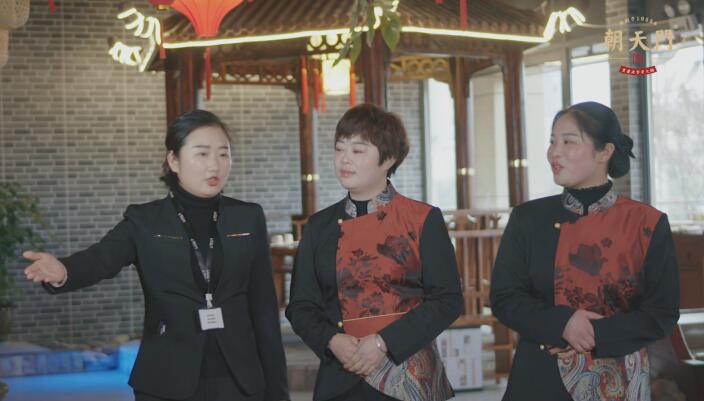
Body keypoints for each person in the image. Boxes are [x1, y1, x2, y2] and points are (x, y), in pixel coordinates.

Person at [23, 110, 289, 401]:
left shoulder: (248, 217)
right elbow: (101, 259)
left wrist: (278, 392)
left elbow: (264, 309)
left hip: (240, 379)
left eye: (223, 154)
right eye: (202, 153)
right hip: (166, 378)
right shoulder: (145, 221)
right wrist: (64, 271)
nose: (214, 164)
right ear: (173, 160)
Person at [490, 101, 680, 401]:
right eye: (552, 141)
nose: (554, 152)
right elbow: (504, 298)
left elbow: (662, 313)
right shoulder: (528, 218)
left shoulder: (646, 223)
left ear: (604, 152)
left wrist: (593, 334)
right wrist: (562, 324)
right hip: (539, 376)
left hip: (619, 379)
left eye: (568, 142)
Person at [286, 103, 463, 401]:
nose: (344, 159)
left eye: (358, 150)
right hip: (341, 374)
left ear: (388, 159)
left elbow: (448, 300)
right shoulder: (318, 226)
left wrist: (384, 342)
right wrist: (332, 340)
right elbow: (301, 306)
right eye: (339, 148)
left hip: (407, 377)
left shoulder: (422, 219)